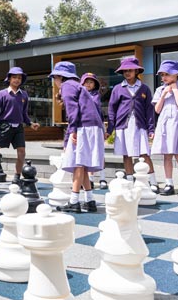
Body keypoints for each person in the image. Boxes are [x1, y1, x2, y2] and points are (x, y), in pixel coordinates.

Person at [50, 61, 105, 213]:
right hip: (93, 126)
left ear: (60, 77)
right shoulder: (76, 85)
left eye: (54, 77)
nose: (54, 81)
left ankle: (74, 201)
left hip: (84, 126)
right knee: (84, 163)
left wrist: (72, 130)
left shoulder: (67, 86)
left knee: (78, 163)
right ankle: (90, 200)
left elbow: (72, 111)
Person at [106, 57, 159, 192]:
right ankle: (129, 181)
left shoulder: (144, 88)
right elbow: (112, 109)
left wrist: (151, 128)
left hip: (140, 125)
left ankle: (153, 182)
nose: (127, 73)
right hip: (123, 126)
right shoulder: (118, 89)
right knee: (126, 154)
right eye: (124, 71)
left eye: (130, 70)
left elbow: (149, 110)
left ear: (136, 71)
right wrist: (110, 129)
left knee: (144, 154)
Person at [0, 67, 40, 185]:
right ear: (9, 79)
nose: (17, 80)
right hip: (5, 126)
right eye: (14, 77)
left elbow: (24, 113)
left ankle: (17, 176)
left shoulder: (24, 95)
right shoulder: (2, 94)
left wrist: (30, 123)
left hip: (18, 127)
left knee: (22, 152)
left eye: (19, 78)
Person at [151, 60, 178, 197]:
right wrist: (164, 94)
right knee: (167, 155)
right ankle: (169, 183)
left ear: (176, 74)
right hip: (164, 124)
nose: (164, 78)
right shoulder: (159, 89)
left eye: (167, 74)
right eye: (162, 75)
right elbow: (157, 110)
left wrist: (174, 90)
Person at [81, 72, 108, 189]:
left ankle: (103, 178)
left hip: (97, 126)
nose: (88, 84)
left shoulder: (96, 95)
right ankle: (89, 179)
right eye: (86, 82)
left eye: (91, 82)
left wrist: (104, 128)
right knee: (87, 152)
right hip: (84, 126)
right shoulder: (79, 95)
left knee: (99, 152)